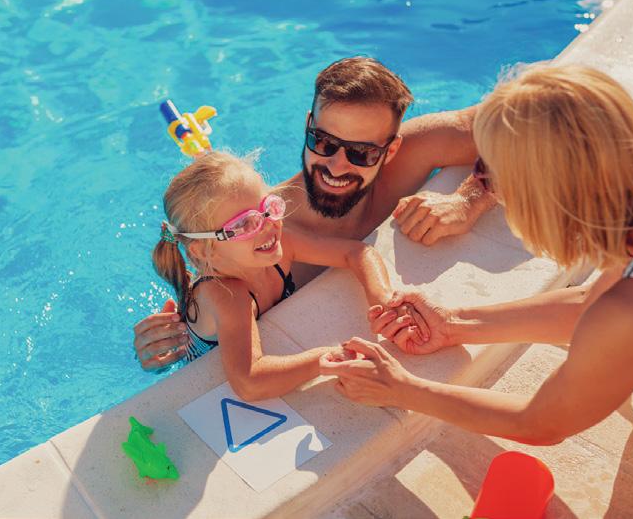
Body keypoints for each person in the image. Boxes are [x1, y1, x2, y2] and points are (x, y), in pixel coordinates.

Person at [321, 64, 633, 514]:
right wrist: (454, 324)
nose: (492, 192)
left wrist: (402, 389)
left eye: (494, 181)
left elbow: (543, 421)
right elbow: (595, 305)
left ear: (546, 195)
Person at [135, 56, 496, 369]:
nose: (337, 166)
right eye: (323, 142)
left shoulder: (412, 154)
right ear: (309, 125)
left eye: (362, 153)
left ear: (390, 150)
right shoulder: (265, 229)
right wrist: (163, 348)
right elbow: (207, 305)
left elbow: (524, 119)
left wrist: (472, 198)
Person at [151, 151, 415, 401]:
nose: (268, 225)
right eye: (244, 224)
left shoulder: (280, 243)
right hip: (194, 379)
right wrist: (325, 359)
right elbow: (249, 383)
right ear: (205, 250)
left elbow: (355, 253)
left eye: (269, 207)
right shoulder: (225, 294)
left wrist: (382, 297)